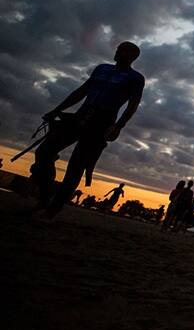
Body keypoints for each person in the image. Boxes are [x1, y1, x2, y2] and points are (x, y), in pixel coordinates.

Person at [29, 42, 144, 219]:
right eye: (118, 49)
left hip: (103, 121)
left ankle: (54, 208)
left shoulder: (135, 78)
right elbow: (82, 91)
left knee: (76, 166)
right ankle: (45, 197)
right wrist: (57, 109)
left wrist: (118, 126)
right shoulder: (102, 69)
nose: (117, 51)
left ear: (132, 56)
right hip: (81, 115)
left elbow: (133, 105)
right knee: (44, 151)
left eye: (122, 50)